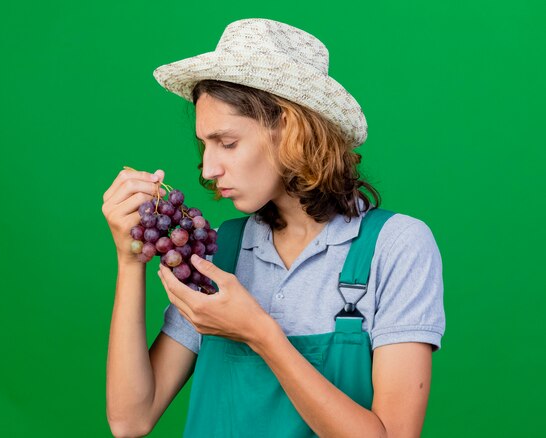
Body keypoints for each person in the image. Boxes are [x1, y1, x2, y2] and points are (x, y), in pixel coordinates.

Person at [103, 18, 445, 438]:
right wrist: (129, 261)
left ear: (291, 132)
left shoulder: (395, 246)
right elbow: (130, 420)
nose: (208, 169)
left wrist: (261, 333)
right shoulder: (219, 251)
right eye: (204, 144)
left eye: (227, 143)